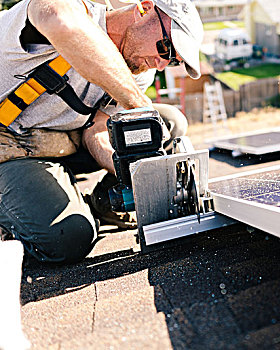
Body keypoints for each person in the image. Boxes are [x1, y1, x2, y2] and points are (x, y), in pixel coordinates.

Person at [0, 0, 204, 263]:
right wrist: (138, 104)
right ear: (144, 9)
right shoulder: (69, 9)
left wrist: (132, 174)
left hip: (62, 145)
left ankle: (105, 202)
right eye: (165, 46)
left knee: (167, 124)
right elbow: (59, 20)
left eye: (171, 59)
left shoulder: (139, 69)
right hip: (10, 150)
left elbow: (95, 130)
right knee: (69, 238)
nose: (161, 64)